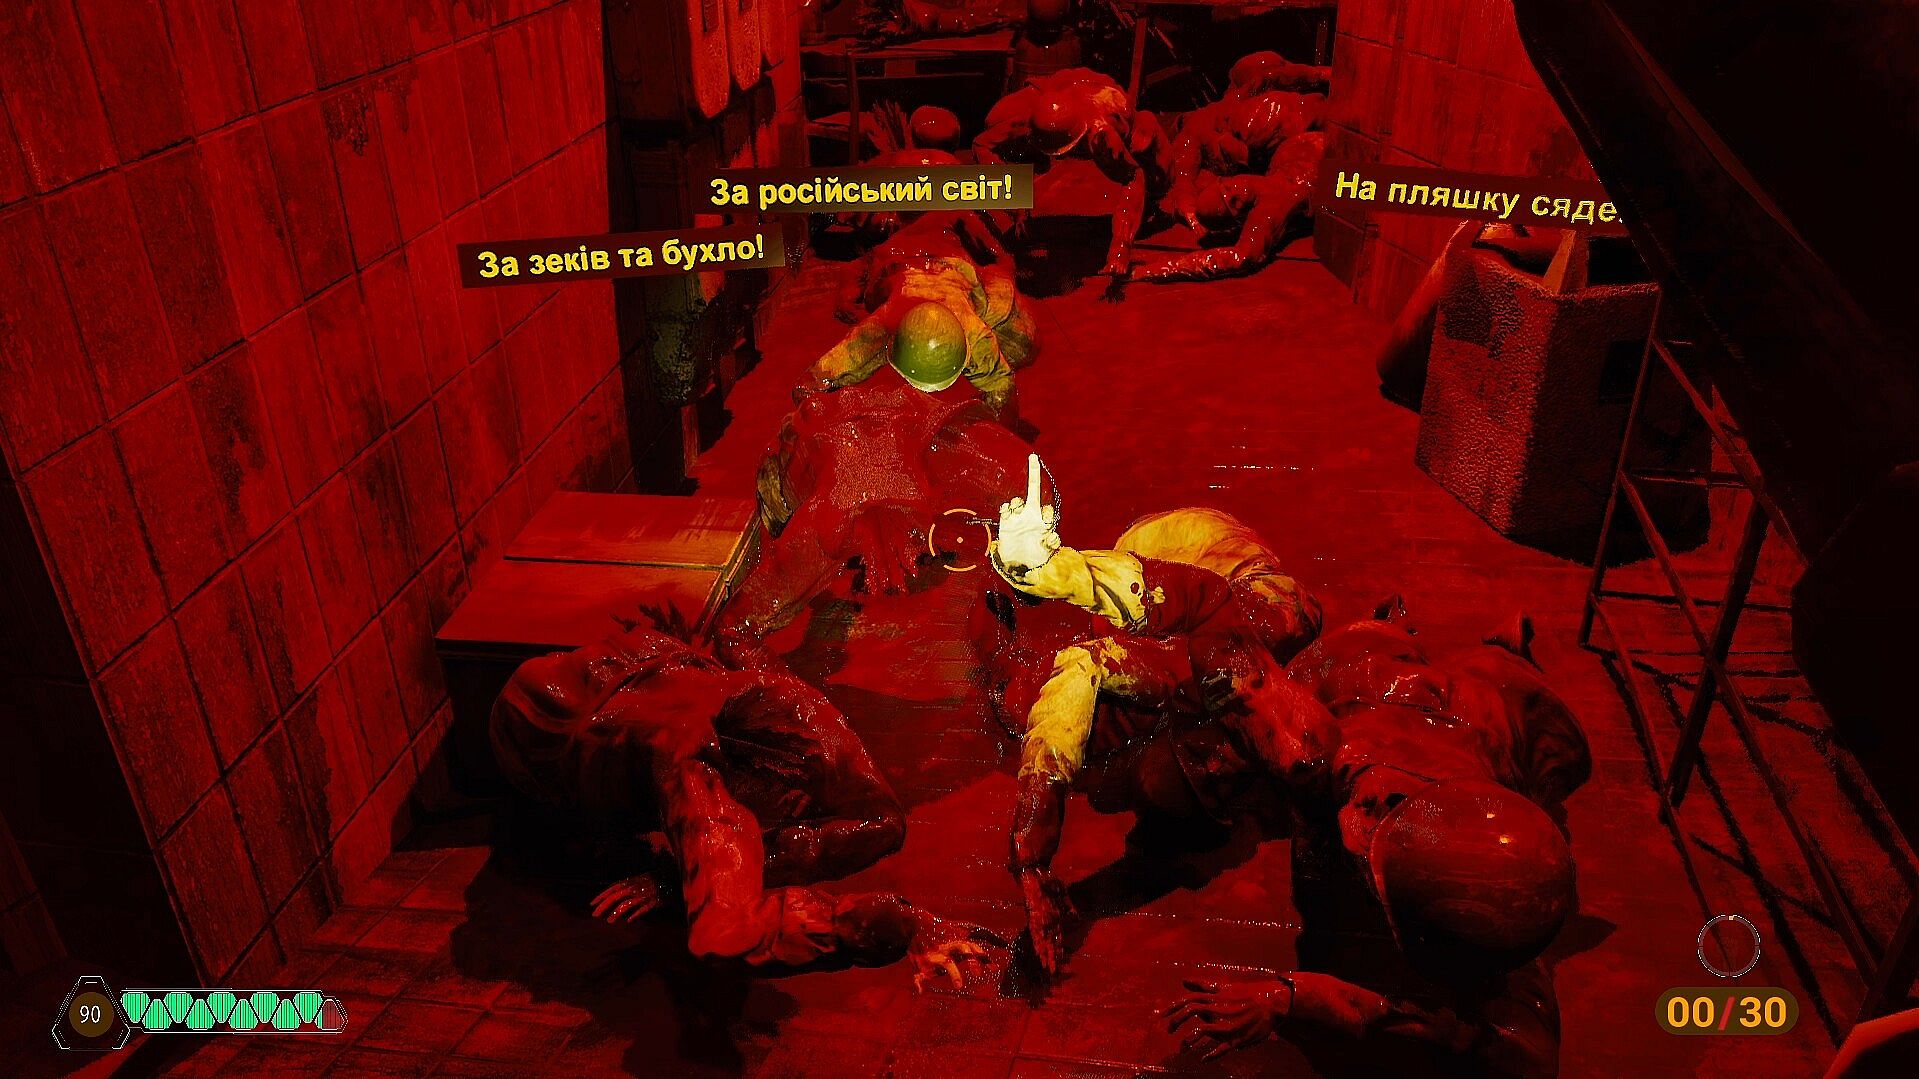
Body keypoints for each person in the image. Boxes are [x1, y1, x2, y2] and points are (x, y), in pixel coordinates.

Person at [1166, 608, 1591, 1077]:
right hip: (1375, 678)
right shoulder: (1323, 748)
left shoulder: (1492, 838)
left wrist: (1297, 997)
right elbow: (1220, 640)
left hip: (1433, 703)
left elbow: (1507, 1047)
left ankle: (1458, 638)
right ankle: (1428, 633)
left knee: (1492, 677)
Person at [490, 622, 996, 988]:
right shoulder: (693, 775)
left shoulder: (784, 700)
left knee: (879, 825)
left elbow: (880, 821)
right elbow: (725, 934)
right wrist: (896, 926)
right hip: (536, 733)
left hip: (642, 658)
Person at [983, 457, 1335, 975]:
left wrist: (1032, 855)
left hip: (1164, 577)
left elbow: (1075, 684)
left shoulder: (1178, 694)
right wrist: (1049, 572)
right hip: (1205, 562)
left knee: (1041, 701)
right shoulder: (1263, 644)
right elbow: (1200, 599)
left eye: (1201, 773)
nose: (1214, 768)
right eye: (1216, 781)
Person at [974, 68, 1172, 288]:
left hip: (1102, 98)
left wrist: (1121, 247)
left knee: (1159, 174)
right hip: (1057, 88)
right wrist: (1014, 200)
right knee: (994, 120)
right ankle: (1032, 164)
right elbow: (982, 144)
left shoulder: (1102, 135)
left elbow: (1133, 176)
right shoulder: (1029, 118)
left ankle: (1159, 200)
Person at [1135, 131, 1327, 283]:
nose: (1233, 186)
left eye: (1226, 184)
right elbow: (1239, 258)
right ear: (1238, 206)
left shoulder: (1279, 159)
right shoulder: (1271, 207)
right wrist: (1158, 269)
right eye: (1229, 196)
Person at [1161, 91, 1325, 219]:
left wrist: (1190, 212)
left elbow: (1183, 180)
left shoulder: (1193, 133)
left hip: (1276, 132)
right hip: (1298, 123)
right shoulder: (1230, 106)